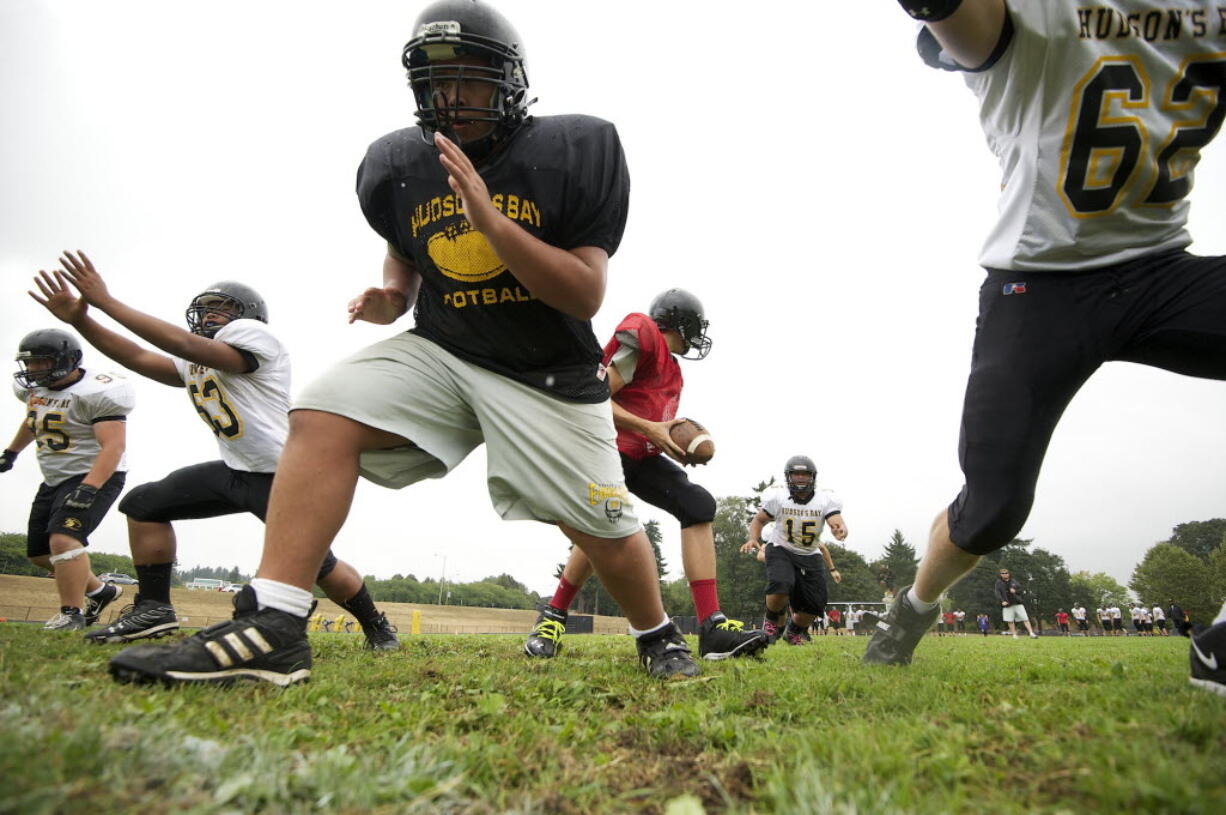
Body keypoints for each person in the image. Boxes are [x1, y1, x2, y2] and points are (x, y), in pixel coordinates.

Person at [107, 0, 699, 686]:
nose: (451, 99)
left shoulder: (573, 149)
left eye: (469, 80)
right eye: (435, 85)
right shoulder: (397, 162)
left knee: (605, 525)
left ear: (508, 81)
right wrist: (393, 291)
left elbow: (584, 293)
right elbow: (405, 252)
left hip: (548, 374)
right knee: (321, 413)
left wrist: (490, 217)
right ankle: (274, 621)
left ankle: (657, 635)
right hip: (445, 350)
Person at [864, 0, 1226, 694]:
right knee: (993, 506)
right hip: (1039, 282)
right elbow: (967, 27)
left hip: (1160, 266)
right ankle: (910, 611)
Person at [30, 254, 399, 649]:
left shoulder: (256, 339)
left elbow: (186, 344)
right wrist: (82, 320)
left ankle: (376, 625)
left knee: (319, 565)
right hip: (236, 468)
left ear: (247, 316)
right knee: (143, 505)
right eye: (205, 309)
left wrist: (105, 301)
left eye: (221, 309)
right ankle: (153, 608)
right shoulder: (195, 356)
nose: (210, 316)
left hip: (285, 473)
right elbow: (139, 357)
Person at [524, 290, 767, 661]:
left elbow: (655, 422)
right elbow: (595, 394)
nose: (697, 335)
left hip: (640, 453)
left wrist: (672, 442)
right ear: (679, 321)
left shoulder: (672, 370)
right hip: (606, 447)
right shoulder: (645, 336)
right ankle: (553, 616)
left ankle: (711, 626)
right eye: (694, 326)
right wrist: (650, 428)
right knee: (605, 526)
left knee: (697, 505)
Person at [2, 328, 131, 629]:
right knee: (39, 553)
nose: (33, 370)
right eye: (30, 363)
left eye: (41, 362)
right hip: (54, 477)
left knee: (64, 539)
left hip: (96, 473)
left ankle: (72, 614)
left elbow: (113, 446)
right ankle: (101, 591)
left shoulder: (97, 391)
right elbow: (35, 418)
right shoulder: (35, 391)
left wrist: (90, 487)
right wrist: (11, 452)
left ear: (67, 361)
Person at [739, 455, 847, 646]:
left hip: (810, 553)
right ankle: (771, 622)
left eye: (804, 474)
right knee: (782, 582)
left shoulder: (825, 499)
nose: (800, 478)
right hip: (781, 547)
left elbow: (835, 519)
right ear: (788, 477)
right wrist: (752, 538)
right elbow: (759, 520)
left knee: (816, 603)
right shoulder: (778, 497)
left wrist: (839, 529)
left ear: (813, 477)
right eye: (795, 474)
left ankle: (794, 631)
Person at [993, 568, 1037, 640]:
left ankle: (1031, 633)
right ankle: (1014, 635)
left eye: (1006, 573)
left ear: (1008, 574)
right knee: (1010, 620)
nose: (1004, 574)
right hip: (1007, 604)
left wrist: (1015, 591)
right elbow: (997, 593)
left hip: (1017, 603)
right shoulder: (998, 583)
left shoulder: (1014, 581)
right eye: (1003, 573)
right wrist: (1002, 601)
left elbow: (1021, 590)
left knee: (1025, 618)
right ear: (1000, 575)